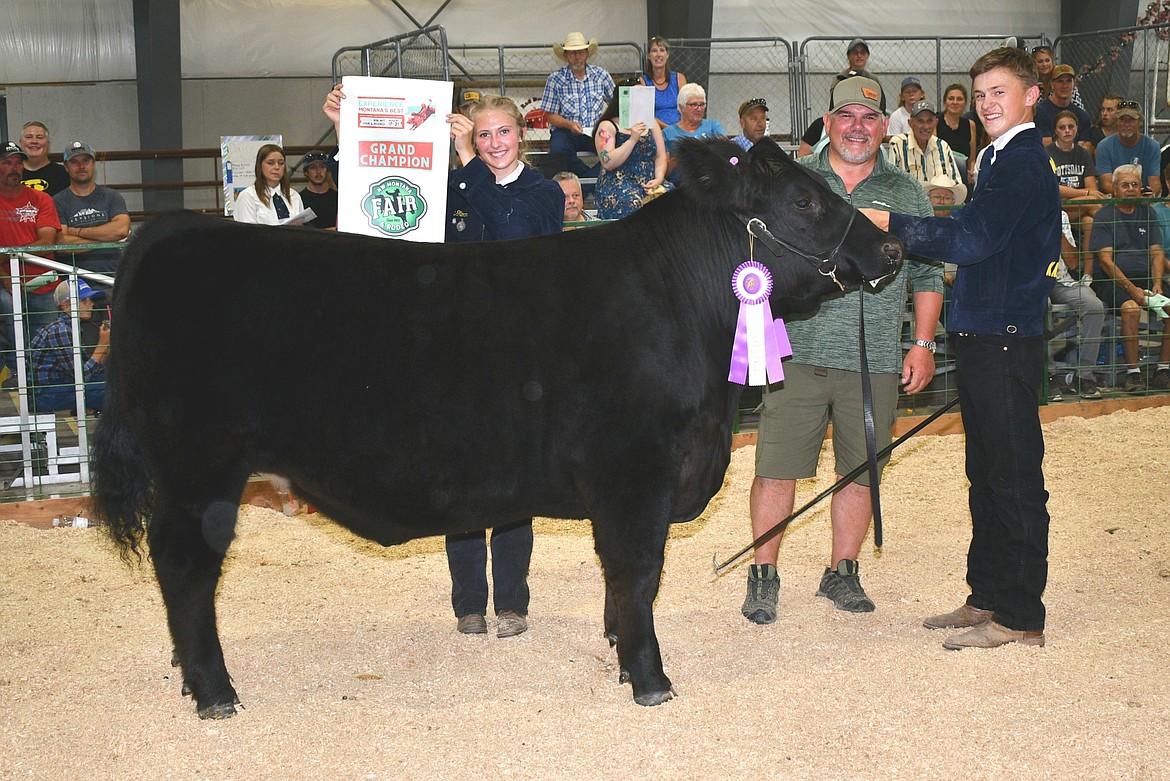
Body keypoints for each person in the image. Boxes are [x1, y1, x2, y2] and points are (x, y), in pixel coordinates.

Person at [863, 46, 1060, 651]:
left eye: (1000, 92)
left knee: (1013, 475)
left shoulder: (1024, 162)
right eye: (980, 95)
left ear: (1031, 96)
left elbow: (973, 240)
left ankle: (1022, 613)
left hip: (1004, 336)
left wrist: (891, 223)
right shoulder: (998, 159)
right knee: (986, 472)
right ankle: (988, 594)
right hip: (983, 333)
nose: (987, 104)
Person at [741, 75, 943, 624]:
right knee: (776, 468)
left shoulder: (906, 192)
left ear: (884, 126)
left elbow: (927, 274)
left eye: (870, 117)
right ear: (827, 123)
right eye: (847, 116)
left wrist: (922, 344)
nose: (858, 127)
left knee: (860, 471)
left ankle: (842, 571)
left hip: (875, 356)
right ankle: (764, 574)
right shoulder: (797, 183)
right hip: (797, 351)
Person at [443, 94, 564, 637]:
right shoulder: (456, 186)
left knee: (517, 475)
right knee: (463, 473)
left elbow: (511, 230)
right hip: (461, 348)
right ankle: (468, 601)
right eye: (483, 134)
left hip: (524, 349)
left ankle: (512, 600)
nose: (492, 143)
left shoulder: (542, 192)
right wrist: (346, 127)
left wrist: (466, 158)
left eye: (502, 134)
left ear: (522, 137)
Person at [1089, 164, 1170, 393]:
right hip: (1110, 280)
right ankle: (1133, 373)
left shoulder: (1148, 212)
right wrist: (1131, 288)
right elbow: (1105, 261)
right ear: (1114, 188)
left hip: (1145, 277)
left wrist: (1156, 283)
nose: (1131, 189)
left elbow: (1157, 252)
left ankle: (1163, 369)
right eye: (1125, 185)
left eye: (1135, 184)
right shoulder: (1104, 215)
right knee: (1131, 309)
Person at [0, 141, 61, 377]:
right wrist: (6, 276)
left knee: (47, 339)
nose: (15, 168)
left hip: (43, 281)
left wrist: (7, 256)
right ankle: (17, 375)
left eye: (18, 162)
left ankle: (43, 383)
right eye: (7, 163)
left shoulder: (40, 199)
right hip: (5, 282)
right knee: (7, 306)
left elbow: (47, 242)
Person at [541, 31, 615, 182]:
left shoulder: (601, 75)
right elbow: (550, 115)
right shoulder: (555, 79)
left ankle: (583, 186)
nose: (577, 57)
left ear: (587, 54)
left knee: (618, 147)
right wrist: (569, 124)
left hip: (596, 130)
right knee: (558, 150)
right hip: (567, 131)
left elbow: (615, 103)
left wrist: (606, 122)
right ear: (566, 56)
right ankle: (592, 180)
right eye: (572, 53)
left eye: (580, 52)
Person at [53, 141, 131, 282]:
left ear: (93, 163)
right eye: (74, 162)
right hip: (74, 283)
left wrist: (75, 232)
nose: (81, 166)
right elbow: (61, 243)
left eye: (85, 160)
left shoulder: (112, 196)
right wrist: (106, 237)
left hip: (112, 279)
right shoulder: (57, 202)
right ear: (66, 166)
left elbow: (121, 230)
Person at [1048, 211, 1106, 400]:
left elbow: (1072, 263)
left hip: (1062, 281)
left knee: (1094, 306)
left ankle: (1084, 375)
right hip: (1030, 284)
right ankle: (1048, 376)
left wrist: (1054, 228)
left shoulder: (1060, 215)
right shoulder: (1016, 212)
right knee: (1041, 307)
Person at [28, 279, 108, 414]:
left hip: (57, 387)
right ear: (66, 305)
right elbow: (80, 376)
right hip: (45, 394)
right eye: (84, 300)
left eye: (90, 299)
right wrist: (102, 346)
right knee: (115, 389)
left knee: (115, 381)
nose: (91, 304)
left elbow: (90, 370)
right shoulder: (61, 330)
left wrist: (107, 347)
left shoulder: (69, 328)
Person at [592, 88, 668, 220]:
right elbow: (608, 162)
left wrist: (659, 178)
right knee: (633, 203)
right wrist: (633, 139)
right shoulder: (607, 126)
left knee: (670, 198)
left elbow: (660, 156)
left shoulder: (652, 124)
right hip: (619, 181)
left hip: (649, 179)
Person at [1046, 110, 1104, 260]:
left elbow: (1093, 188)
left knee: (1089, 222)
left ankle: (1086, 273)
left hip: (1079, 208)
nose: (1067, 131)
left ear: (1077, 129)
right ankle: (1117, 236)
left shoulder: (1083, 154)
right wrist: (1083, 194)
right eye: (1062, 127)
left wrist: (1085, 194)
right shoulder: (1046, 153)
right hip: (1056, 208)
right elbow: (1053, 189)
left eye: (1071, 127)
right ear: (1055, 131)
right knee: (1092, 201)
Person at [887, 100, 965, 196]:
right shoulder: (898, 144)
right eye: (920, 121)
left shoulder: (943, 146)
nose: (926, 126)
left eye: (930, 121)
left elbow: (955, 184)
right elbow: (892, 185)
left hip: (939, 205)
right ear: (910, 123)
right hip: (910, 206)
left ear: (936, 123)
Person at [662, 83, 725, 184]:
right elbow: (663, 173)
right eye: (694, 105)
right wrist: (680, 157)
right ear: (681, 107)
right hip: (679, 186)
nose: (699, 108)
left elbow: (723, 153)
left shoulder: (713, 126)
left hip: (709, 184)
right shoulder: (667, 133)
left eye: (702, 104)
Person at [1096, 100, 1161, 196]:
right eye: (1122, 119)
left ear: (1140, 122)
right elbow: (1107, 184)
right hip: (1114, 200)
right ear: (1117, 121)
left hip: (1142, 198)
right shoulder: (1103, 146)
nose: (1126, 124)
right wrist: (1129, 197)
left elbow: (1155, 182)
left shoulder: (1152, 146)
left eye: (1131, 120)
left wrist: (1149, 195)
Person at [232, 144, 304, 225]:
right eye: (270, 163)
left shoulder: (294, 195)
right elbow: (247, 232)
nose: (277, 167)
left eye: (281, 163)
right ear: (260, 167)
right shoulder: (248, 196)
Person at [1034, 64, 1092, 148]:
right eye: (1060, 81)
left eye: (1068, 81)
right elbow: (1047, 147)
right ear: (1052, 84)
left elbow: (1083, 149)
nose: (1065, 86)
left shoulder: (1083, 116)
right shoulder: (1040, 112)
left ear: (1074, 84)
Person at [640, 36, 687, 128]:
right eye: (654, 51)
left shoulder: (679, 78)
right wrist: (668, 129)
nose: (658, 54)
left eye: (662, 50)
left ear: (667, 54)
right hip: (655, 130)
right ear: (649, 56)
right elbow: (645, 115)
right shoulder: (643, 82)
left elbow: (687, 109)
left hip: (680, 128)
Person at [935, 84, 977, 183]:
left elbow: (972, 159)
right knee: (959, 162)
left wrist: (972, 170)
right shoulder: (936, 122)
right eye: (951, 99)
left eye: (959, 99)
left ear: (965, 103)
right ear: (945, 102)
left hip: (963, 175)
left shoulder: (970, 125)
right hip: (941, 174)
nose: (955, 102)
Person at [18, 121, 69, 196]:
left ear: (48, 143)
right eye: (29, 137)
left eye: (39, 137)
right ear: (20, 142)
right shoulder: (11, 174)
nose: (34, 141)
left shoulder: (63, 174)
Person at [298, 151, 337, 230]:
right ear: (306, 172)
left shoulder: (338, 198)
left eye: (322, 167)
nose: (318, 171)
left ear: (327, 170)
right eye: (313, 167)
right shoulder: (298, 199)